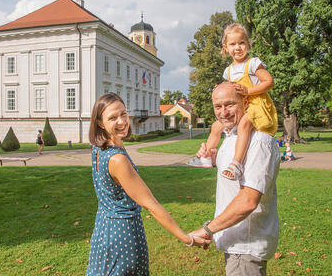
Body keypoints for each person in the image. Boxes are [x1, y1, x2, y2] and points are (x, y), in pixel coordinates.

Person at [86, 93, 209, 275]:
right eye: (113, 118)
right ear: (100, 123)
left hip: (104, 228)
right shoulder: (117, 159)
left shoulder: (98, 149)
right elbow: (151, 204)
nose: (122, 121)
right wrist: (187, 238)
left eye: (123, 114)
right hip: (123, 234)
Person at [191, 82, 280, 276]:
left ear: (245, 102)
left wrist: (207, 229)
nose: (223, 112)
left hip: (246, 246)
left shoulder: (258, 141)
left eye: (229, 104)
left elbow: (248, 201)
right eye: (218, 106)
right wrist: (212, 158)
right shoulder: (233, 136)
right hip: (234, 243)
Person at [188, 23, 278, 182]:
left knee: (244, 124)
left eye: (242, 42)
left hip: (256, 105)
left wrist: (248, 91)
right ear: (226, 48)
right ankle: (207, 155)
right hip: (241, 106)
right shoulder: (228, 71)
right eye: (233, 44)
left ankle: (237, 163)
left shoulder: (253, 63)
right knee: (216, 126)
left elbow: (269, 82)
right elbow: (230, 91)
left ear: (248, 44)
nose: (238, 47)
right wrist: (220, 88)